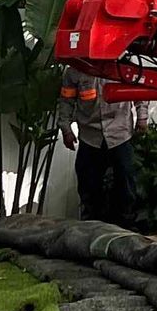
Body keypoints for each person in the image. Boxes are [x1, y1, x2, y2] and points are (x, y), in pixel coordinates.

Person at [58, 64, 144, 223]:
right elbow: (66, 100)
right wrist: (66, 129)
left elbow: (140, 91)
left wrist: (142, 117)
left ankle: (126, 225)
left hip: (120, 133)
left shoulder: (125, 66)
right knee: (88, 185)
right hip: (90, 136)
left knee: (125, 183)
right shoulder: (74, 71)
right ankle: (92, 226)